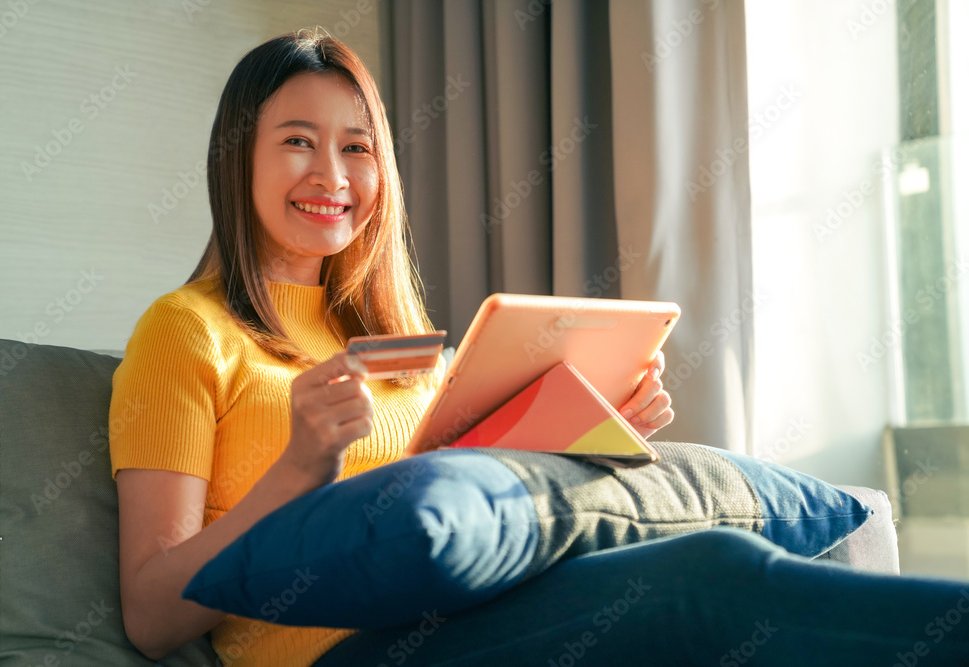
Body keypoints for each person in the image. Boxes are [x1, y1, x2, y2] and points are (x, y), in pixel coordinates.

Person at [110, 30, 969, 667]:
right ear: (236, 155)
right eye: (297, 140)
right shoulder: (186, 331)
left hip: (477, 608)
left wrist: (591, 427)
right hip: (340, 655)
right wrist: (300, 465)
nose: (332, 176)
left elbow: (466, 493)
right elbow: (150, 612)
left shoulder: (394, 343)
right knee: (709, 580)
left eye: (357, 147)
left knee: (690, 576)